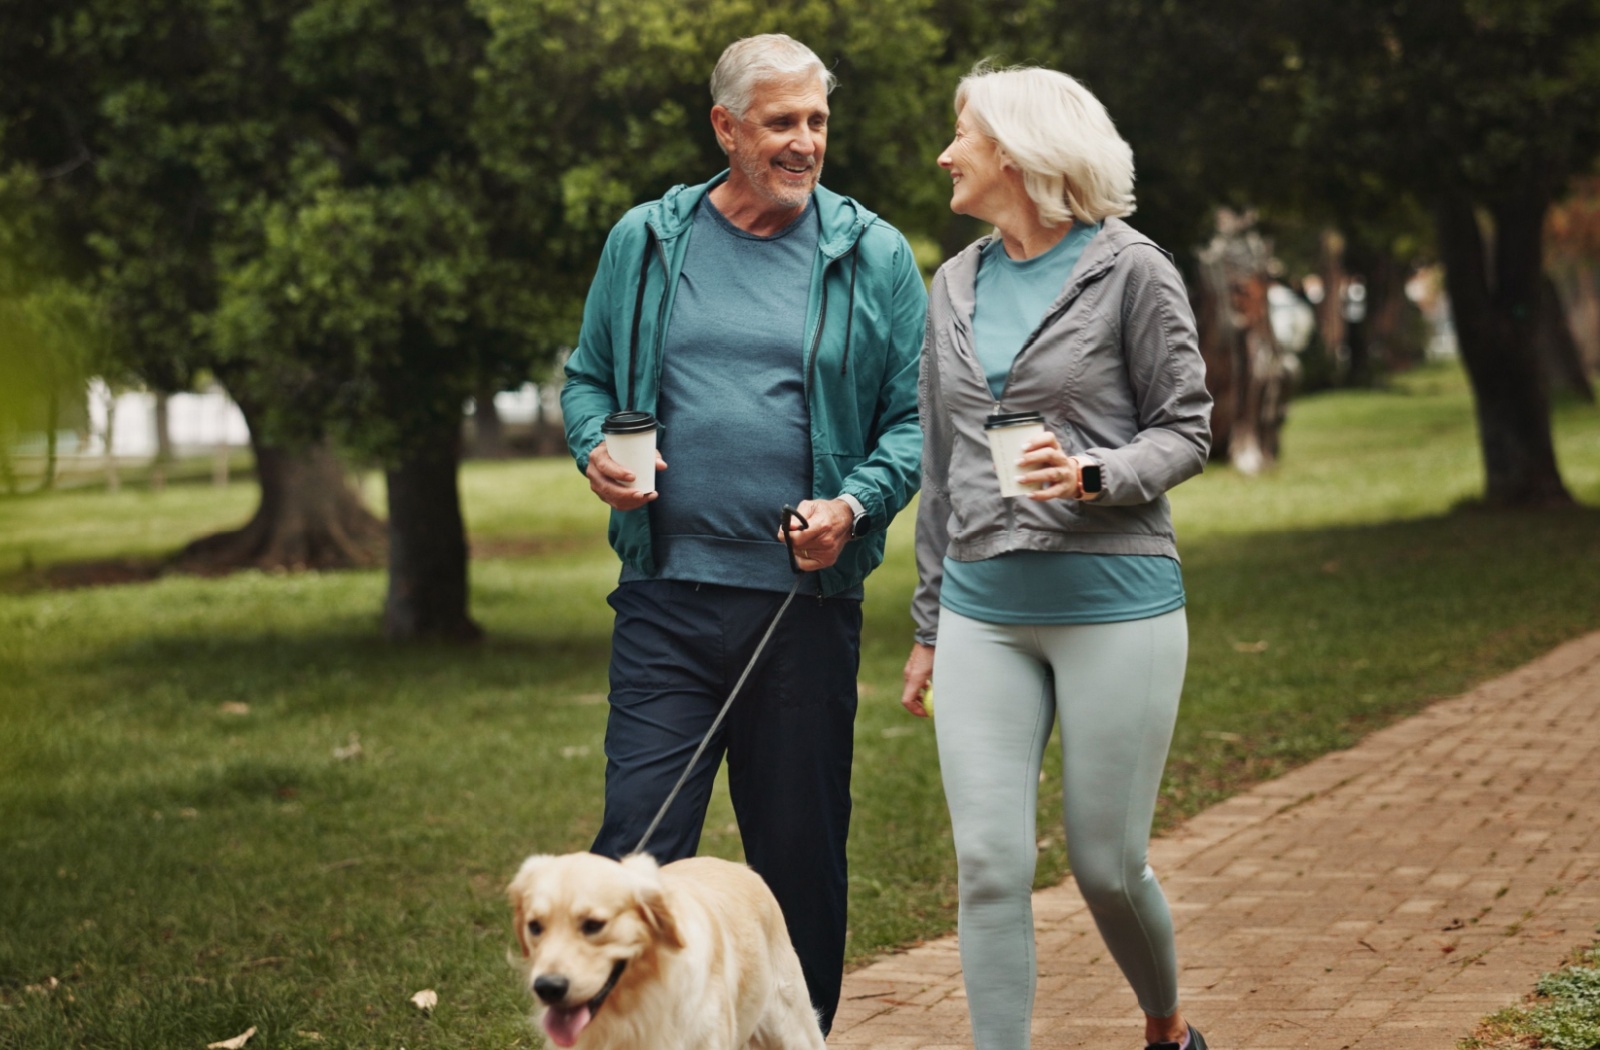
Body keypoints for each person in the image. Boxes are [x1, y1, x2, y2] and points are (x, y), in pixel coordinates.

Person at [560, 33, 926, 1033]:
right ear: (725, 127)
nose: (804, 142)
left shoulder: (873, 253)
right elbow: (586, 378)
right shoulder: (646, 241)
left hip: (802, 616)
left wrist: (852, 507)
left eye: (815, 120)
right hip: (666, 601)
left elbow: (913, 420)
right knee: (637, 856)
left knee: (798, 858)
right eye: (780, 123)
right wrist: (594, 448)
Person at [899, 65, 1214, 1050]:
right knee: (989, 863)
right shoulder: (951, 283)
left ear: (1019, 151)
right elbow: (944, 465)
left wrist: (1093, 476)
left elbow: (1187, 429)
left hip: (1114, 604)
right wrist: (926, 628)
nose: (946, 154)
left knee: (1106, 864)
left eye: (963, 134)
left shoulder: (1129, 270)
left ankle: (1166, 1030)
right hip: (981, 612)